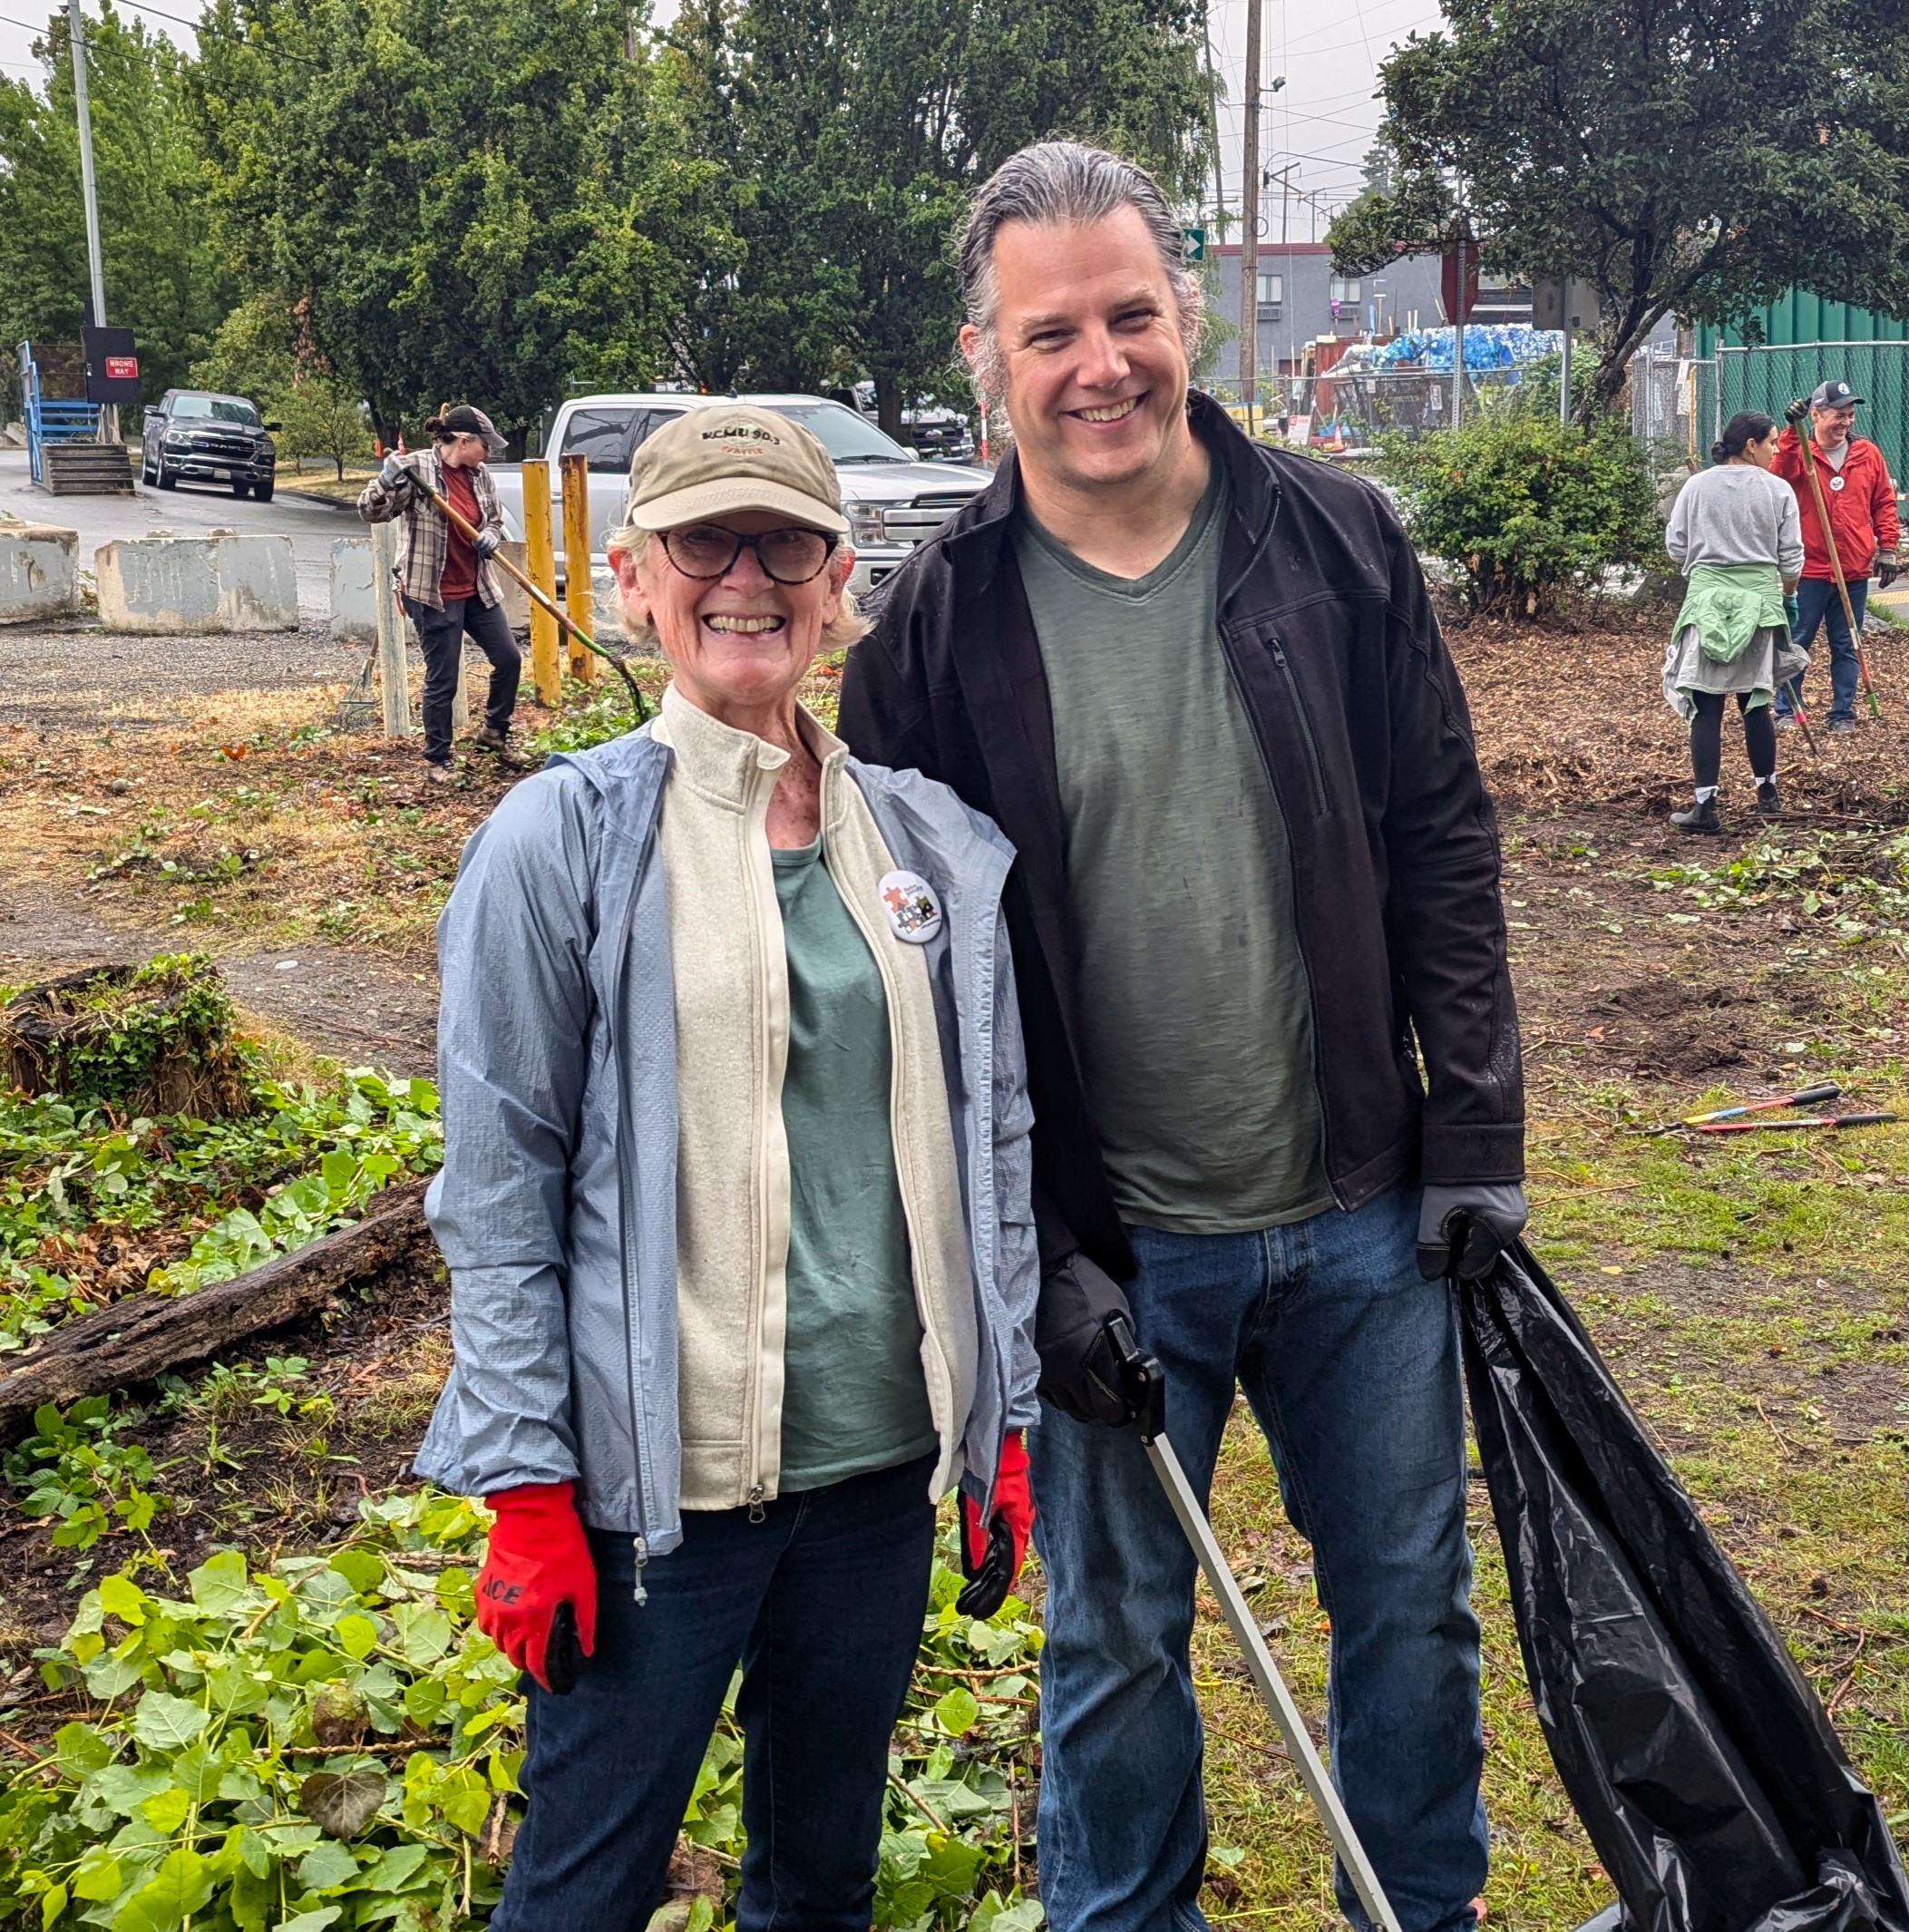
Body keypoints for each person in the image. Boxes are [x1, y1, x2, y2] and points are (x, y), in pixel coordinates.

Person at [839, 140, 1524, 1932]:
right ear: (985, 353)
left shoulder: (1337, 540)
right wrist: (1026, 1257)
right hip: (1111, 1261)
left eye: (1130, 312)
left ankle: (1421, 1913)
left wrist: (1480, 1143)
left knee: (1408, 1615)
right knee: (1118, 1651)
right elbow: (908, 974)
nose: (1101, 364)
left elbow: (1442, 838)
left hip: (1366, 1222)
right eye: (1049, 328)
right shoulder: (936, 627)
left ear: (1187, 310)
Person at [415, 404, 1041, 1928]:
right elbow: (500, 1194)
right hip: (654, 1501)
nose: (746, 576)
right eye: (708, 541)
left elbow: (994, 1150)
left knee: (820, 1882)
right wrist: (526, 1486)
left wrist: (1001, 1420)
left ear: (839, 586)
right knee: (580, 1889)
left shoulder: (933, 848)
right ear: (639, 578)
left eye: (788, 545)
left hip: (878, 1472)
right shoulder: (559, 844)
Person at [357, 404, 523, 782]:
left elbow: (494, 519)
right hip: (432, 591)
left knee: (509, 658)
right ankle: (438, 759)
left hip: (477, 587)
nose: (489, 453)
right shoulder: (416, 471)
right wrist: (385, 480)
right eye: (485, 445)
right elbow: (371, 512)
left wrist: (491, 536)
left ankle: (494, 733)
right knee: (444, 676)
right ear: (464, 441)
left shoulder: (480, 475)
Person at [1662, 411, 1808, 832]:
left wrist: (1708, 563)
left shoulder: (1696, 486)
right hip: (1761, 602)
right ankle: (1768, 797)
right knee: (1756, 702)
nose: (1777, 449)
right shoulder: (1777, 490)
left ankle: (1705, 807)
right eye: (1773, 443)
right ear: (1751, 445)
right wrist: (1787, 595)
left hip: (1705, 599)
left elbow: (1676, 547)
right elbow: (1792, 558)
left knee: (1705, 705)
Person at [1772, 380, 1899, 735]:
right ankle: (1786, 708)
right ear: (1815, 415)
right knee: (1798, 640)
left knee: (1847, 644)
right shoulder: (1799, 453)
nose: (1845, 422)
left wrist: (1887, 548)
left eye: (1850, 415)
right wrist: (1791, 432)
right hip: (1809, 569)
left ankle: (1843, 713)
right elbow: (1778, 476)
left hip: (1853, 568)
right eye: (1838, 415)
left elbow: (1883, 503)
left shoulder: (1867, 454)